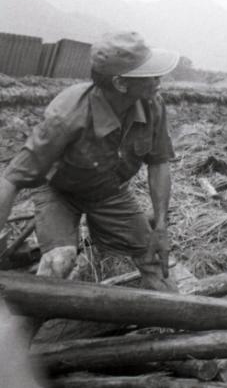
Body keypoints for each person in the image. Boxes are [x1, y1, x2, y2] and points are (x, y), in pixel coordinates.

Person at [0, 31, 180, 292]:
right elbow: (12, 178)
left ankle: (175, 323)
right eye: (150, 76)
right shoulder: (67, 117)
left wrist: (161, 227)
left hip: (110, 193)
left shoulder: (153, 105)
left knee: (156, 261)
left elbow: (159, 163)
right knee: (58, 262)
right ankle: (25, 322)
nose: (159, 81)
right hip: (59, 192)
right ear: (120, 84)